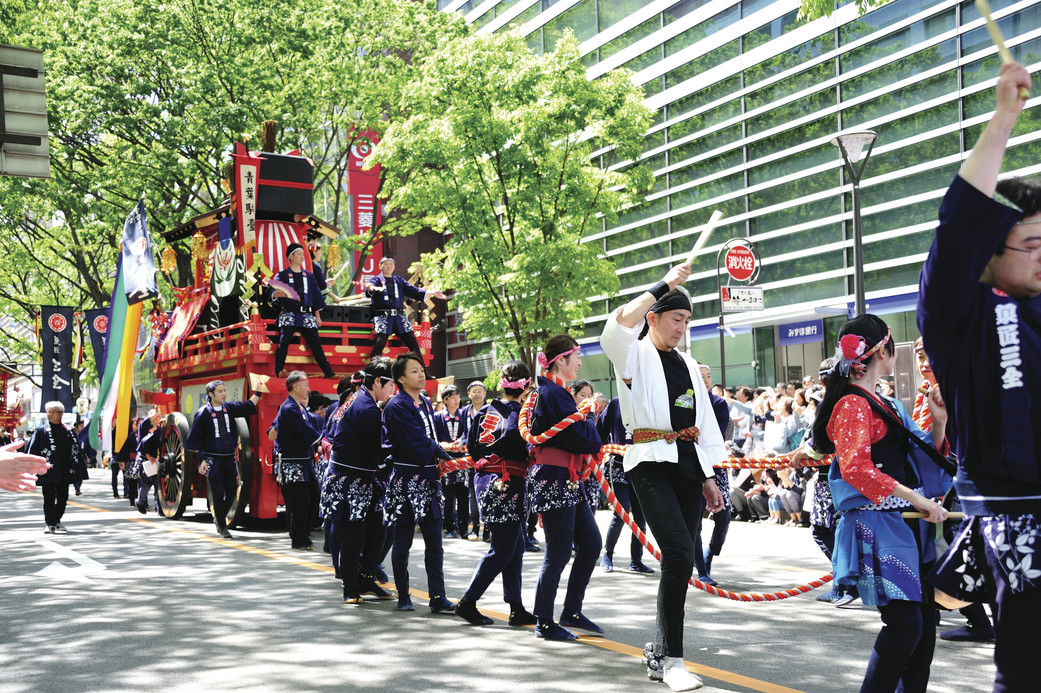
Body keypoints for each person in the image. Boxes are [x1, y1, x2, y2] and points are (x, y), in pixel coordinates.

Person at [919, 61, 1037, 693]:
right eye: (1030, 244)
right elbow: (960, 226)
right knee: (1024, 668)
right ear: (988, 261)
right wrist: (1003, 119)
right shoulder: (962, 316)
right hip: (1015, 508)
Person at [600, 264, 727, 692]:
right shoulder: (633, 354)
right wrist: (666, 285)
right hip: (649, 461)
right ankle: (673, 659)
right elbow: (614, 328)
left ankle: (660, 652)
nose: (682, 328)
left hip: (687, 465)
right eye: (677, 318)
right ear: (653, 316)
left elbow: (703, 423)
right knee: (676, 554)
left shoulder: (690, 364)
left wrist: (710, 477)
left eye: (688, 321)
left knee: (682, 559)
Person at [812, 314, 949, 693]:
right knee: (905, 626)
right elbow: (857, 470)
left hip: (905, 525)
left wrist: (938, 422)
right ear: (883, 350)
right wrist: (916, 497)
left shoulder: (885, 402)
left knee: (923, 624)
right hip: (880, 528)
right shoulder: (852, 405)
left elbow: (924, 456)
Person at [911, 338, 995, 643]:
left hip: (956, 485)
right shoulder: (927, 394)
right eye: (919, 356)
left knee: (956, 552)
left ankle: (981, 621)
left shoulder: (958, 391)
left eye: (930, 355)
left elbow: (944, 446)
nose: (924, 363)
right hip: (936, 485)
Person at [521, 334, 603, 642]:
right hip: (555, 476)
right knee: (558, 551)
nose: (580, 363)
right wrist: (590, 415)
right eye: (576, 358)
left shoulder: (553, 393)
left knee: (591, 543)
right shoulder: (554, 394)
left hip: (566, 477)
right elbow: (585, 438)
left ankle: (571, 609)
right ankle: (544, 619)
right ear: (560, 361)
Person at [453, 360, 538, 628]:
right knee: (503, 549)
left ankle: (515, 606)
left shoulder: (485, 411)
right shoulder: (522, 414)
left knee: (515, 545)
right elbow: (525, 446)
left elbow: (472, 447)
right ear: (526, 386)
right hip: (507, 481)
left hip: (486, 479)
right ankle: (467, 602)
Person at [382, 352, 455, 613]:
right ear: (400, 378)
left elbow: (429, 437)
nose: (421, 374)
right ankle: (403, 594)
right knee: (403, 541)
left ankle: (438, 596)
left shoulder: (423, 401)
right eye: (414, 371)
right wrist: (442, 453)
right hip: (406, 478)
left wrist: (441, 454)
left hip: (428, 478)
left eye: (421, 369)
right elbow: (414, 442)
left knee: (435, 542)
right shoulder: (397, 405)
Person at [324, 356, 396, 603]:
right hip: (349, 479)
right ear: (378, 381)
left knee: (378, 530)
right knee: (354, 536)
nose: (392, 390)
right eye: (390, 385)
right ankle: (350, 587)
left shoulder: (358, 398)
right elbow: (381, 446)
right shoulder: (365, 407)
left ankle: (365, 578)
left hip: (362, 477)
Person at [186, 380, 261, 539]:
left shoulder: (229, 408)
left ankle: (219, 518)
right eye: (220, 391)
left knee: (233, 491)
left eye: (224, 390)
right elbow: (196, 439)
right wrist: (201, 460)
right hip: (213, 459)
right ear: (211, 394)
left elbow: (247, 406)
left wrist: (259, 392)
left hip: (229, 458)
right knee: (218, 492)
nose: (224, 393)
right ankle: (222, 524)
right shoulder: (203, 413)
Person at [598, 395, 654, 574]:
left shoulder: (648, 399)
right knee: (621, 514)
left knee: (641, 516)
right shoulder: (617, 402)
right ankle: (607, 554)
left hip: (642, 467)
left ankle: (636, 560)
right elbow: (600, 429)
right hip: (619, 466)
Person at [271, 242, 335, 379]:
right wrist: (277, 295)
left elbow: (317, 296)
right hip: (289, 313)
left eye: (302, 254)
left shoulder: (309, 276)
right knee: (284, 341)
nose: (302, 257)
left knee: (316, 343)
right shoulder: (281, 276)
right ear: (291, 257)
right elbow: (274, 292)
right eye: (299, 254)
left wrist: (317, 316)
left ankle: (329, 372)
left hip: (307, 314)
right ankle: (279, 370)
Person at [276, 371, 323, 550]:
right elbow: (306, 431)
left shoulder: (299, 407)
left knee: (311, 498)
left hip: (304, 460)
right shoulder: (289, 408)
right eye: (305, 385)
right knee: (300, 502)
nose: (308, 389)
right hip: (292, 462)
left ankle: (302, 534)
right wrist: (321, 441)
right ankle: (298, 538)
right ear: (295, 386)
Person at [365, 257, 445, 361]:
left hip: (399, 317)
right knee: (380, 342)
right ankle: (373, 369)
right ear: (380, 266)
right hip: (383, 317)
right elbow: (370, 286)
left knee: (413, 344)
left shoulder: (399, 281)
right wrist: (371, 287)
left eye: (391, 264)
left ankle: (423, 370)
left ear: (394, 267)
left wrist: (432, 292)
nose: (388, 266)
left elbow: (414, 291)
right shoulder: (376, 280)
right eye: (386, 264)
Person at [29, 402, 85, 534]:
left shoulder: (69, 430)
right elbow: (33, 449)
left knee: (62, 498)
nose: (49, 414)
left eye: (52, 411)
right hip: (47, 470)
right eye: (48, 411)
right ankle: (50, 523)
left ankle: (56, 520)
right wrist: (32, 466)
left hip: (65, 469)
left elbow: (76, 450)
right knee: (48, 497)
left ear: (60, 414)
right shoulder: (41, 430)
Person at [434, 384, 469, 539]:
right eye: (453, 398)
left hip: (462, 459)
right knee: (448, 495)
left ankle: (464, 528)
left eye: (458, 397)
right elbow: (434, 437)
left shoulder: (464, 415)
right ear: (445, 400)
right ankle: (449, 527)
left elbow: (468, 433)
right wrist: (444, 446)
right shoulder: (438, 416)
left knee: (463, 494)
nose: (456, 400)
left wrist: (461, 443)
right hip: (445, 458)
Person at [460, 381, 489, 542]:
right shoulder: (465, 412)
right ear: (469, 394)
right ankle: (475, 528)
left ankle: (488, 530)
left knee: (488, 492)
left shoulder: (491, 410)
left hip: (486, 456)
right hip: (469, 457)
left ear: (485, 393)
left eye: (480, 391)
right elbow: (463, 432)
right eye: (474, 391)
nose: (477, 394)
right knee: (472, 492)